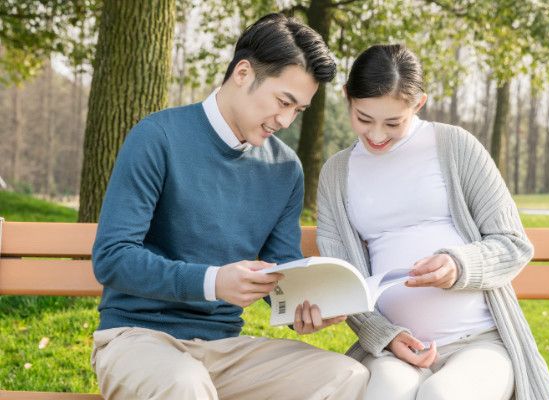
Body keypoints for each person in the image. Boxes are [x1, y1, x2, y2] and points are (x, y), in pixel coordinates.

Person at [90, 13, 369, 400]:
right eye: (283, 101)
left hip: (226, 351)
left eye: (298, 110)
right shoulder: (158, 137)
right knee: (185, 384)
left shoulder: (285, 168)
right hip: (139, 338)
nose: (286, 119)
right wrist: (213, 282)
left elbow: (280, 274)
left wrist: (306, 310)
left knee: (345, 375)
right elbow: (112, 257)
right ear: (242, 73)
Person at [316, 44, 549, 400]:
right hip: (392, 348)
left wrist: (458, 265)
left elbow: (512, 243)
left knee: (442, 395)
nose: (377, 135)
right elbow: (345, 278)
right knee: (387, 393)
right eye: (363, 119)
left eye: (393, 122)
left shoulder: (455, 146)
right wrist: (385, 335)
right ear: (347, 97)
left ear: (418, 104)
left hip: (478, 343)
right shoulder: (337, 173)